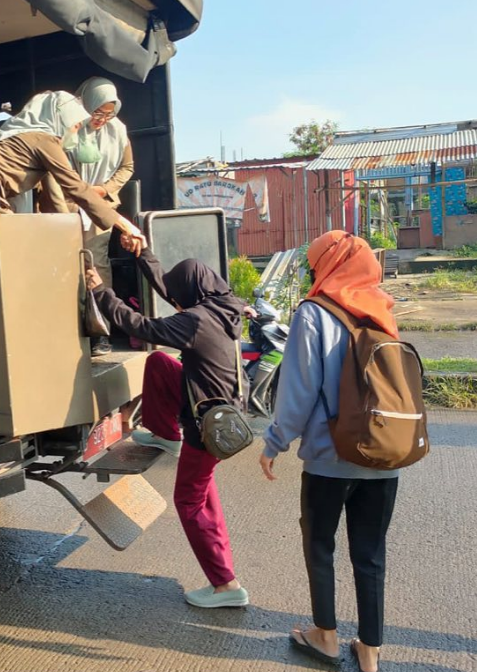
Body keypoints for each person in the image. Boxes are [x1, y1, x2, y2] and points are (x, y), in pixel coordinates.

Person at [259, 231, 401, 672]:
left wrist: (274, 442)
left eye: (315, 261)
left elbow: (298, 392)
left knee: (320, 545)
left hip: (329, 458)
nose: (312, 268)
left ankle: (324, 636)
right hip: (383, 454)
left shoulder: (313, 313)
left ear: (327, 264)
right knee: (370, 552)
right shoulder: (383, 308)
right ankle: (370, 650)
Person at [86, 244, 249, 608]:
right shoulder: (223, 306)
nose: (175, 300)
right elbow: (171, 291)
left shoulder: (195, 321)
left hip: (207, 426)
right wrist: (143, 252)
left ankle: (225, 585)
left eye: (179, 295)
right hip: (217, 405)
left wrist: (100, 291)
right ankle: (164, 435)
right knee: (161, 363)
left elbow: (140, 326)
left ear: (190, 293)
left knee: (189, 501)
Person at [47, 77, 134, 356]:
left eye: (109, 114)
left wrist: (104, 190)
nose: (102, 119)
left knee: (98, 267)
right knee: (65, 268)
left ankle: (101, 333)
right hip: (65, 206)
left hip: (99, 208)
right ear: (86, 105)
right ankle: (66, 332)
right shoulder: (66, 126)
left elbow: (127, 167)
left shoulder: (118, 131)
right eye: (98, 112)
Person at [0, 91, 144, 247]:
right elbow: (77, 188)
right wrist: (127, 226)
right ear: (60, 120)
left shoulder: (19, 137)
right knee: (15, 249)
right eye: (75, 125)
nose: (77, 130)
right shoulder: (45, 141)